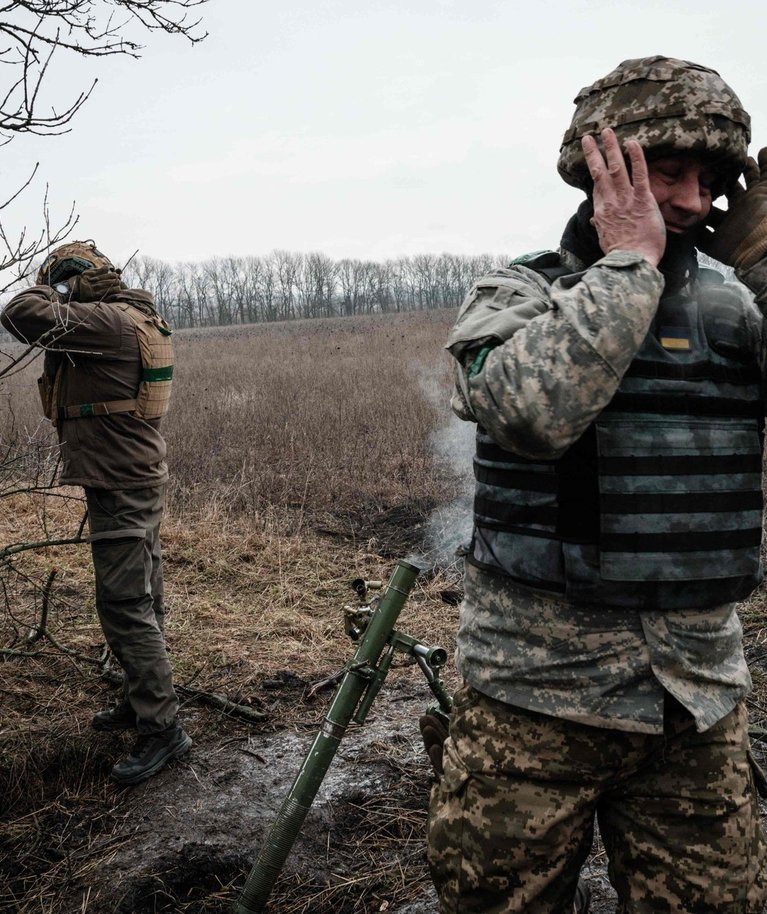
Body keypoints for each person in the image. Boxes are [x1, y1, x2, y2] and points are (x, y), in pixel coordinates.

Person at [426, 56, 767, 913]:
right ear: (600, 173)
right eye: (666, 173)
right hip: (534, 699)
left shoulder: (738, 308)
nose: (690, 201)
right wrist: (629, 270)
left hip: (696, 701)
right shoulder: (521, 288)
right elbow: (525, 410)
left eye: (708, 181)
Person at [1, 240, 191, 785]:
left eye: (64, 282)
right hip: (133, 475)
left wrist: (51, 288)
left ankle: (163, 730)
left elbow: (19, 313)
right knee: (142, 596)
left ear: (75, 282)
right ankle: (140, 702)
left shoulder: (107, 324)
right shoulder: (136, 314)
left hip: (122, 482)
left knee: (125, 603)